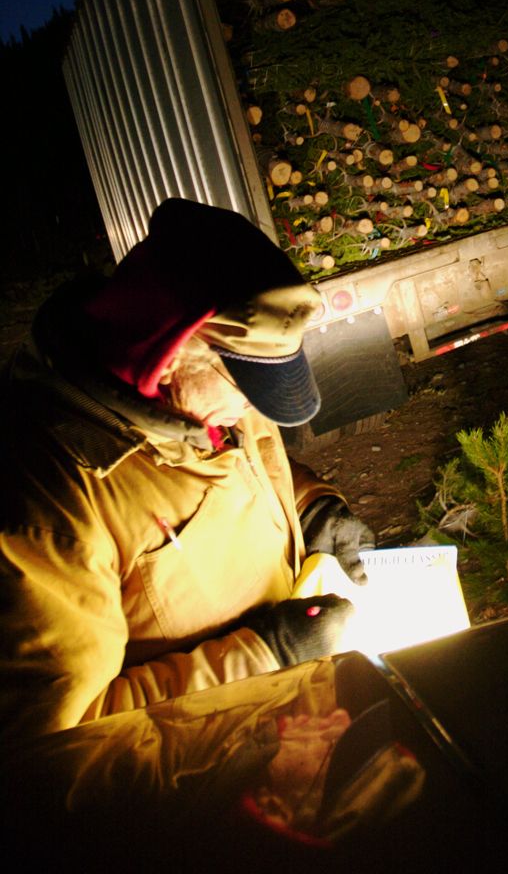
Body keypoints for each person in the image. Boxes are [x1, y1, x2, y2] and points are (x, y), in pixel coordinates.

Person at [0, 198, 376, 742]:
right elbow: (65, 743)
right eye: (245, 389)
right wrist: (265, 655)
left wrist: (312, 508)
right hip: (200, 780)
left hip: (278, 726)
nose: (252, 412)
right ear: (171, 354)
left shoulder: (199, 404)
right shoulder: (48, 506)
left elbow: (244, 468)